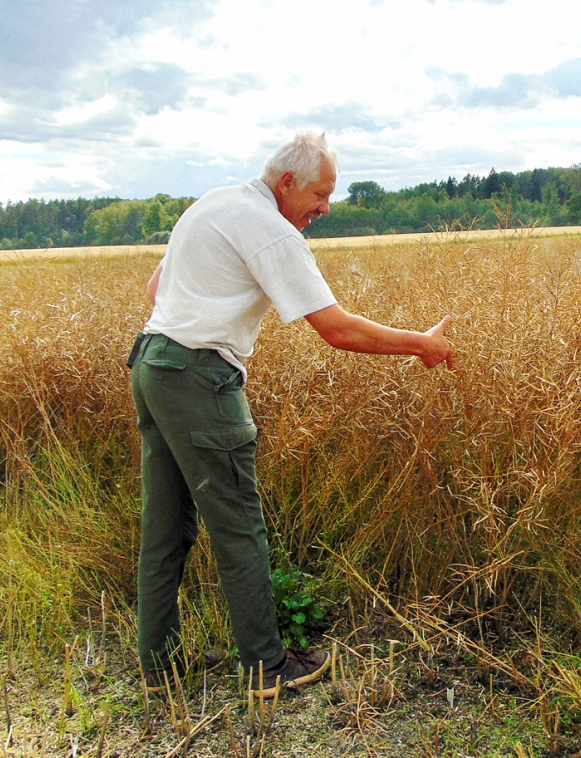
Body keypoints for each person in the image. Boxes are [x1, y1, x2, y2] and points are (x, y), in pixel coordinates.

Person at [130, 132, 454, 698]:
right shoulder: (270, 230)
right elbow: (337, 329)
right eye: (320, 195)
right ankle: (265, 668)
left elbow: (156, 286)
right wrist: (421, 345)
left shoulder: (213, 202)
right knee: (239, 530)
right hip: (198, 378)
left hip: (153, 364)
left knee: (165, 529)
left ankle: (159, 668)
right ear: (286, 183)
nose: (325, 208)